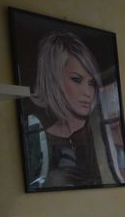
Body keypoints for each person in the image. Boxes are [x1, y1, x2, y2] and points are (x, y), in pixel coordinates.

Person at [27, 31, 116, 188]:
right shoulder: (37, 138)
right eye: (77, 79)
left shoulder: (104, 133)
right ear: (53, 80)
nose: (88, 92)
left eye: (92, 83)